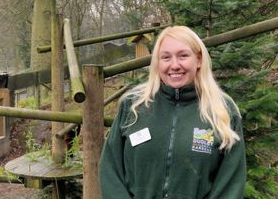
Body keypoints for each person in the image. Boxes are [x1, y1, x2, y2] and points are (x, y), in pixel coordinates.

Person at [98, 26, 247, 199]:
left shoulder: (223, 110)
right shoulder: (133, 105)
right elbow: (111, 169)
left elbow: (231, 185)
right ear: (157, 62)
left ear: (198, 60)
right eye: (166, 57)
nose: (174, 65)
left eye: (183, 55)